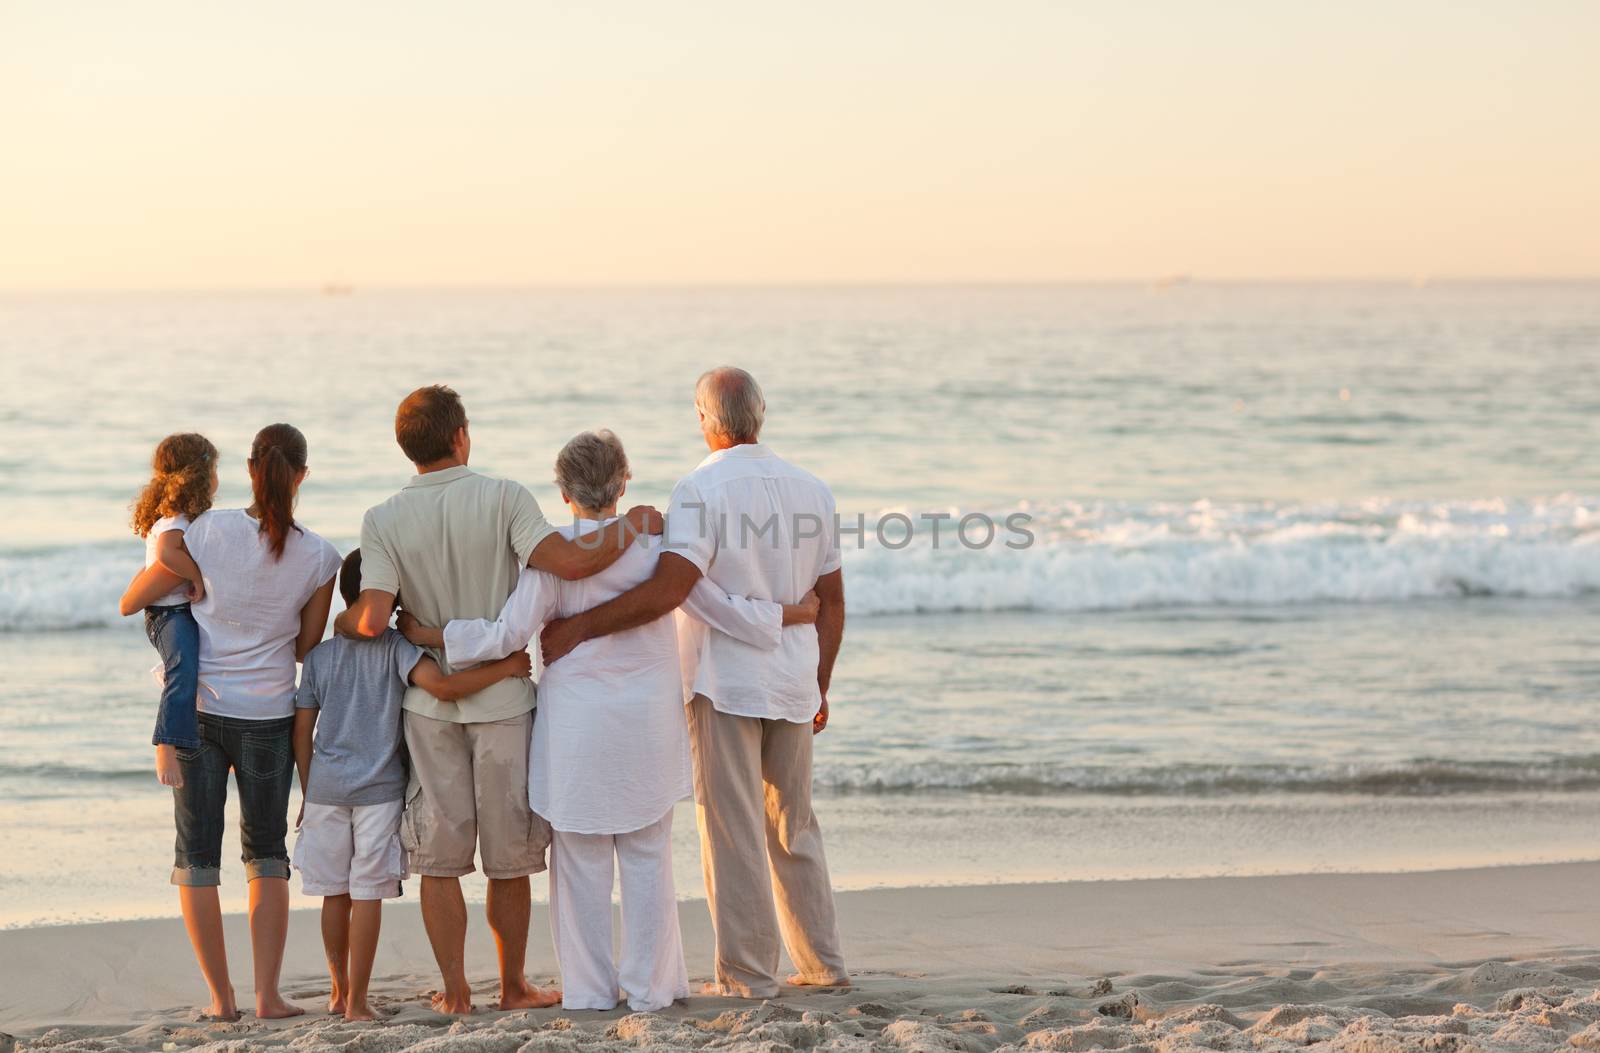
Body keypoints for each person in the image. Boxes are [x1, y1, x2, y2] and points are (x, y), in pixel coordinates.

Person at [400, 430, 819, 1011]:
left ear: (563, 491)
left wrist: (433, 635)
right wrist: (790, 615)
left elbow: (503, 637)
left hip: (577, 729)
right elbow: (715, 608)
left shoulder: (550, 559)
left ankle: (592, 993)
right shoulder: (657, 549)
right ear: (624, 483)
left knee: (579, 867)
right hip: (647, 723)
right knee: (649, 859)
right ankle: (652, 990)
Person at [334, 385, 663, 1013]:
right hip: (506, 702)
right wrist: (635, 524)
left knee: (439, 856)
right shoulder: (504, 495)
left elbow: (374, 617)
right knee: (508, 856)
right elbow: (568, 562)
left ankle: (456, 992)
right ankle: (512, 986)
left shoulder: (381, 518)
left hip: (429, 709)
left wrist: (345, 627)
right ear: (461, 436)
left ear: (407, 448)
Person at [540, 368, 849, 999]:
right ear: (758, 416)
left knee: (731, 827)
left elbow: (670, 589)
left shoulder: (699, 489)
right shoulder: (813, 489)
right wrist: (821, 682)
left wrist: (579, 629)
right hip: (792, 679)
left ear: (707, 421)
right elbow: (833, 599)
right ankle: (822, 964)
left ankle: (748, 975)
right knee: (795, 825)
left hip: (726, 680)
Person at [121, 423, 341, 1021]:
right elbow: (306, 646)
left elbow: (157, 589)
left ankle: (222, 1001)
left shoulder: (207, 528)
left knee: (196, 857)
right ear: (301, 476)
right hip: (268, 713)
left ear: (249, 469)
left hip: (198, 710)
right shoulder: (321, 556)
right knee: (266, 854)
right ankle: (268, 997)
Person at [292, 548, 535, 1022]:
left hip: (325, 791)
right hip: (379, 792)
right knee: (365, 894)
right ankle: (359, 1004)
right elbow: (442, 689)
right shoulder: (397, 649)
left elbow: (303, 731)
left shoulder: (319, 658)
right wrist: (504, 669)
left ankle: (339, 993)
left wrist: (307, 787)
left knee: (334, 894)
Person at [118, 433, 219, 788]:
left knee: (203, 671)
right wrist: (197, 578)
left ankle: (215, 741)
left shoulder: (181, 517)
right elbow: (165, 556)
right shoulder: (175, 521)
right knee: (184, 669)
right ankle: (166, 742)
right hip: (168, 614)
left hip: (177, 611)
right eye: (215, 468)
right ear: (200, 475)